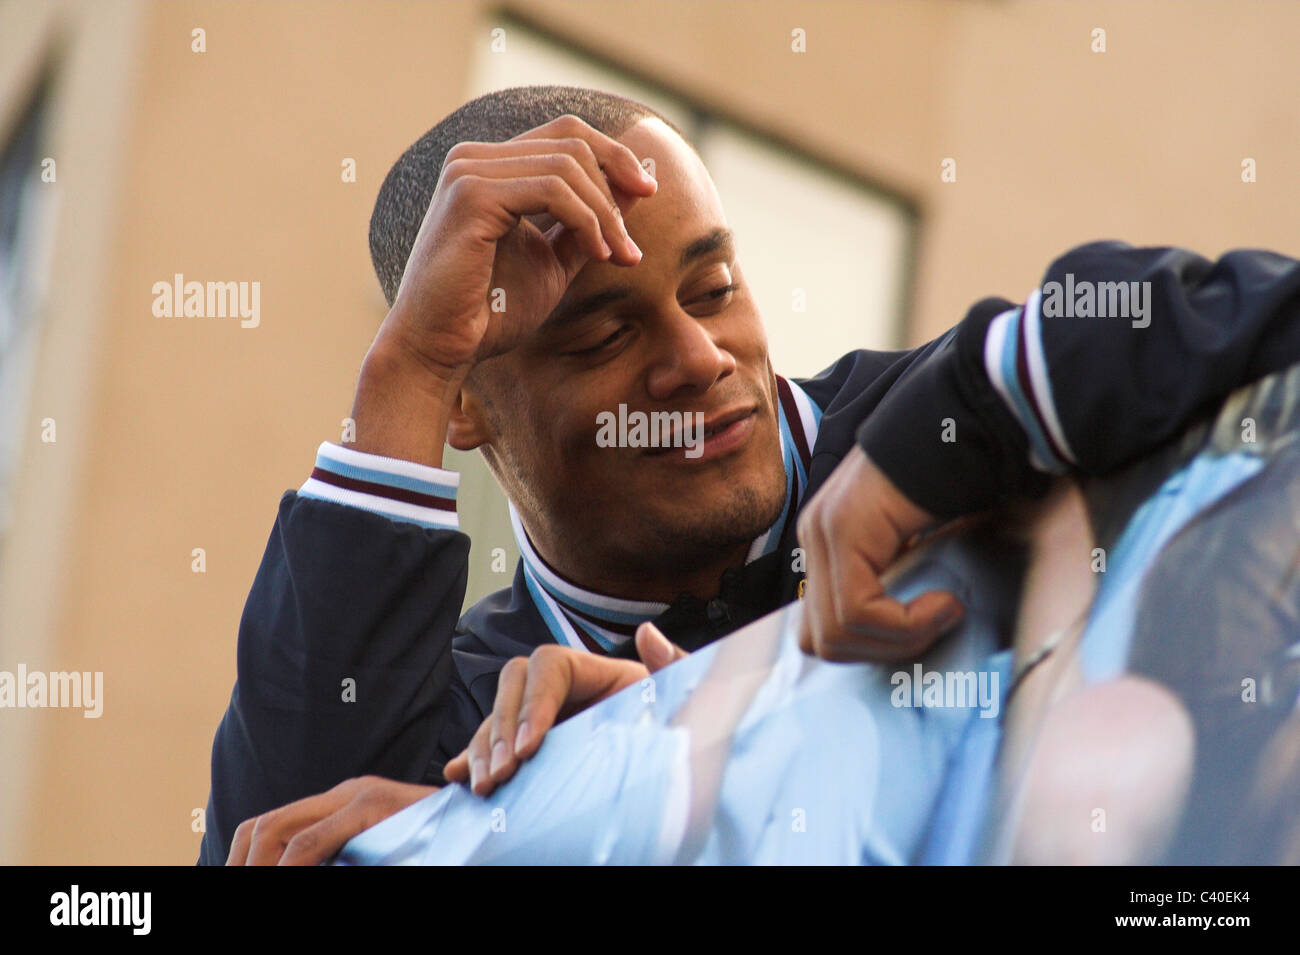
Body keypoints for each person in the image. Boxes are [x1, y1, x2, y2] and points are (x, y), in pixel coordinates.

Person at [203, 83, 1300, 865]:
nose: (696, 357)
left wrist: (982, 386)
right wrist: (404, 366)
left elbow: (1256, 326)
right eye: (600, 339)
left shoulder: (948, 428)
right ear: (467, 407)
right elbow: (280, 833)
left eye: (714, 285)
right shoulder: (480, 724)